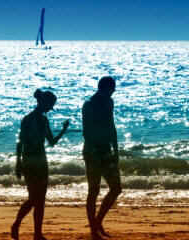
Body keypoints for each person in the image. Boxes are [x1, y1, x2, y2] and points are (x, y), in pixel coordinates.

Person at [11, 89, 69, 240]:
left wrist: (63, 130)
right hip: (30, 162)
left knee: (40, 200)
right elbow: (21, 143)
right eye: (50, 105)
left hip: (41, 161)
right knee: (34, 199)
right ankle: (17, 224)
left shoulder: (43, 120)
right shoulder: (28, 119)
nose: (50, 109)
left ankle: (37, 233)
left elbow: (51, 142)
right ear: (43, 103)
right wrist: (18, 164)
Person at [82, 76, 122, 240]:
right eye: (111, 89)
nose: (113, 92)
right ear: (104, 88)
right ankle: (93, 228)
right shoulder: (89, 105)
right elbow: (87, 131)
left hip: (106, 150)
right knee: (94, 190)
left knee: (116, 188)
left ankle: (98, 222)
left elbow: (112, 125)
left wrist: (115, 149)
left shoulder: (109, 102)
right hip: (92, 151)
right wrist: (97, 149)